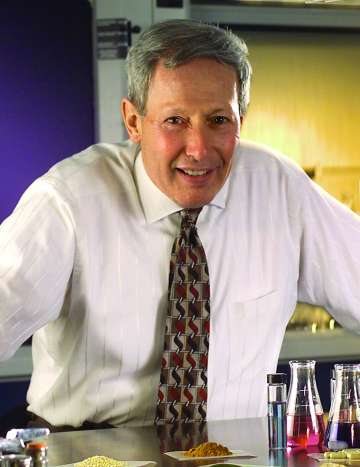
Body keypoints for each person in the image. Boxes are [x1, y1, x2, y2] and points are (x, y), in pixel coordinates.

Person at [1, 19, 360, 431]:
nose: (198, 148)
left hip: (233, 454)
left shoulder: (279, 188)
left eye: (218, 121)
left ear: (241, 119)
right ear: (133, 122)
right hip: (89, 452)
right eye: (175, 121)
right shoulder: (67, 200)